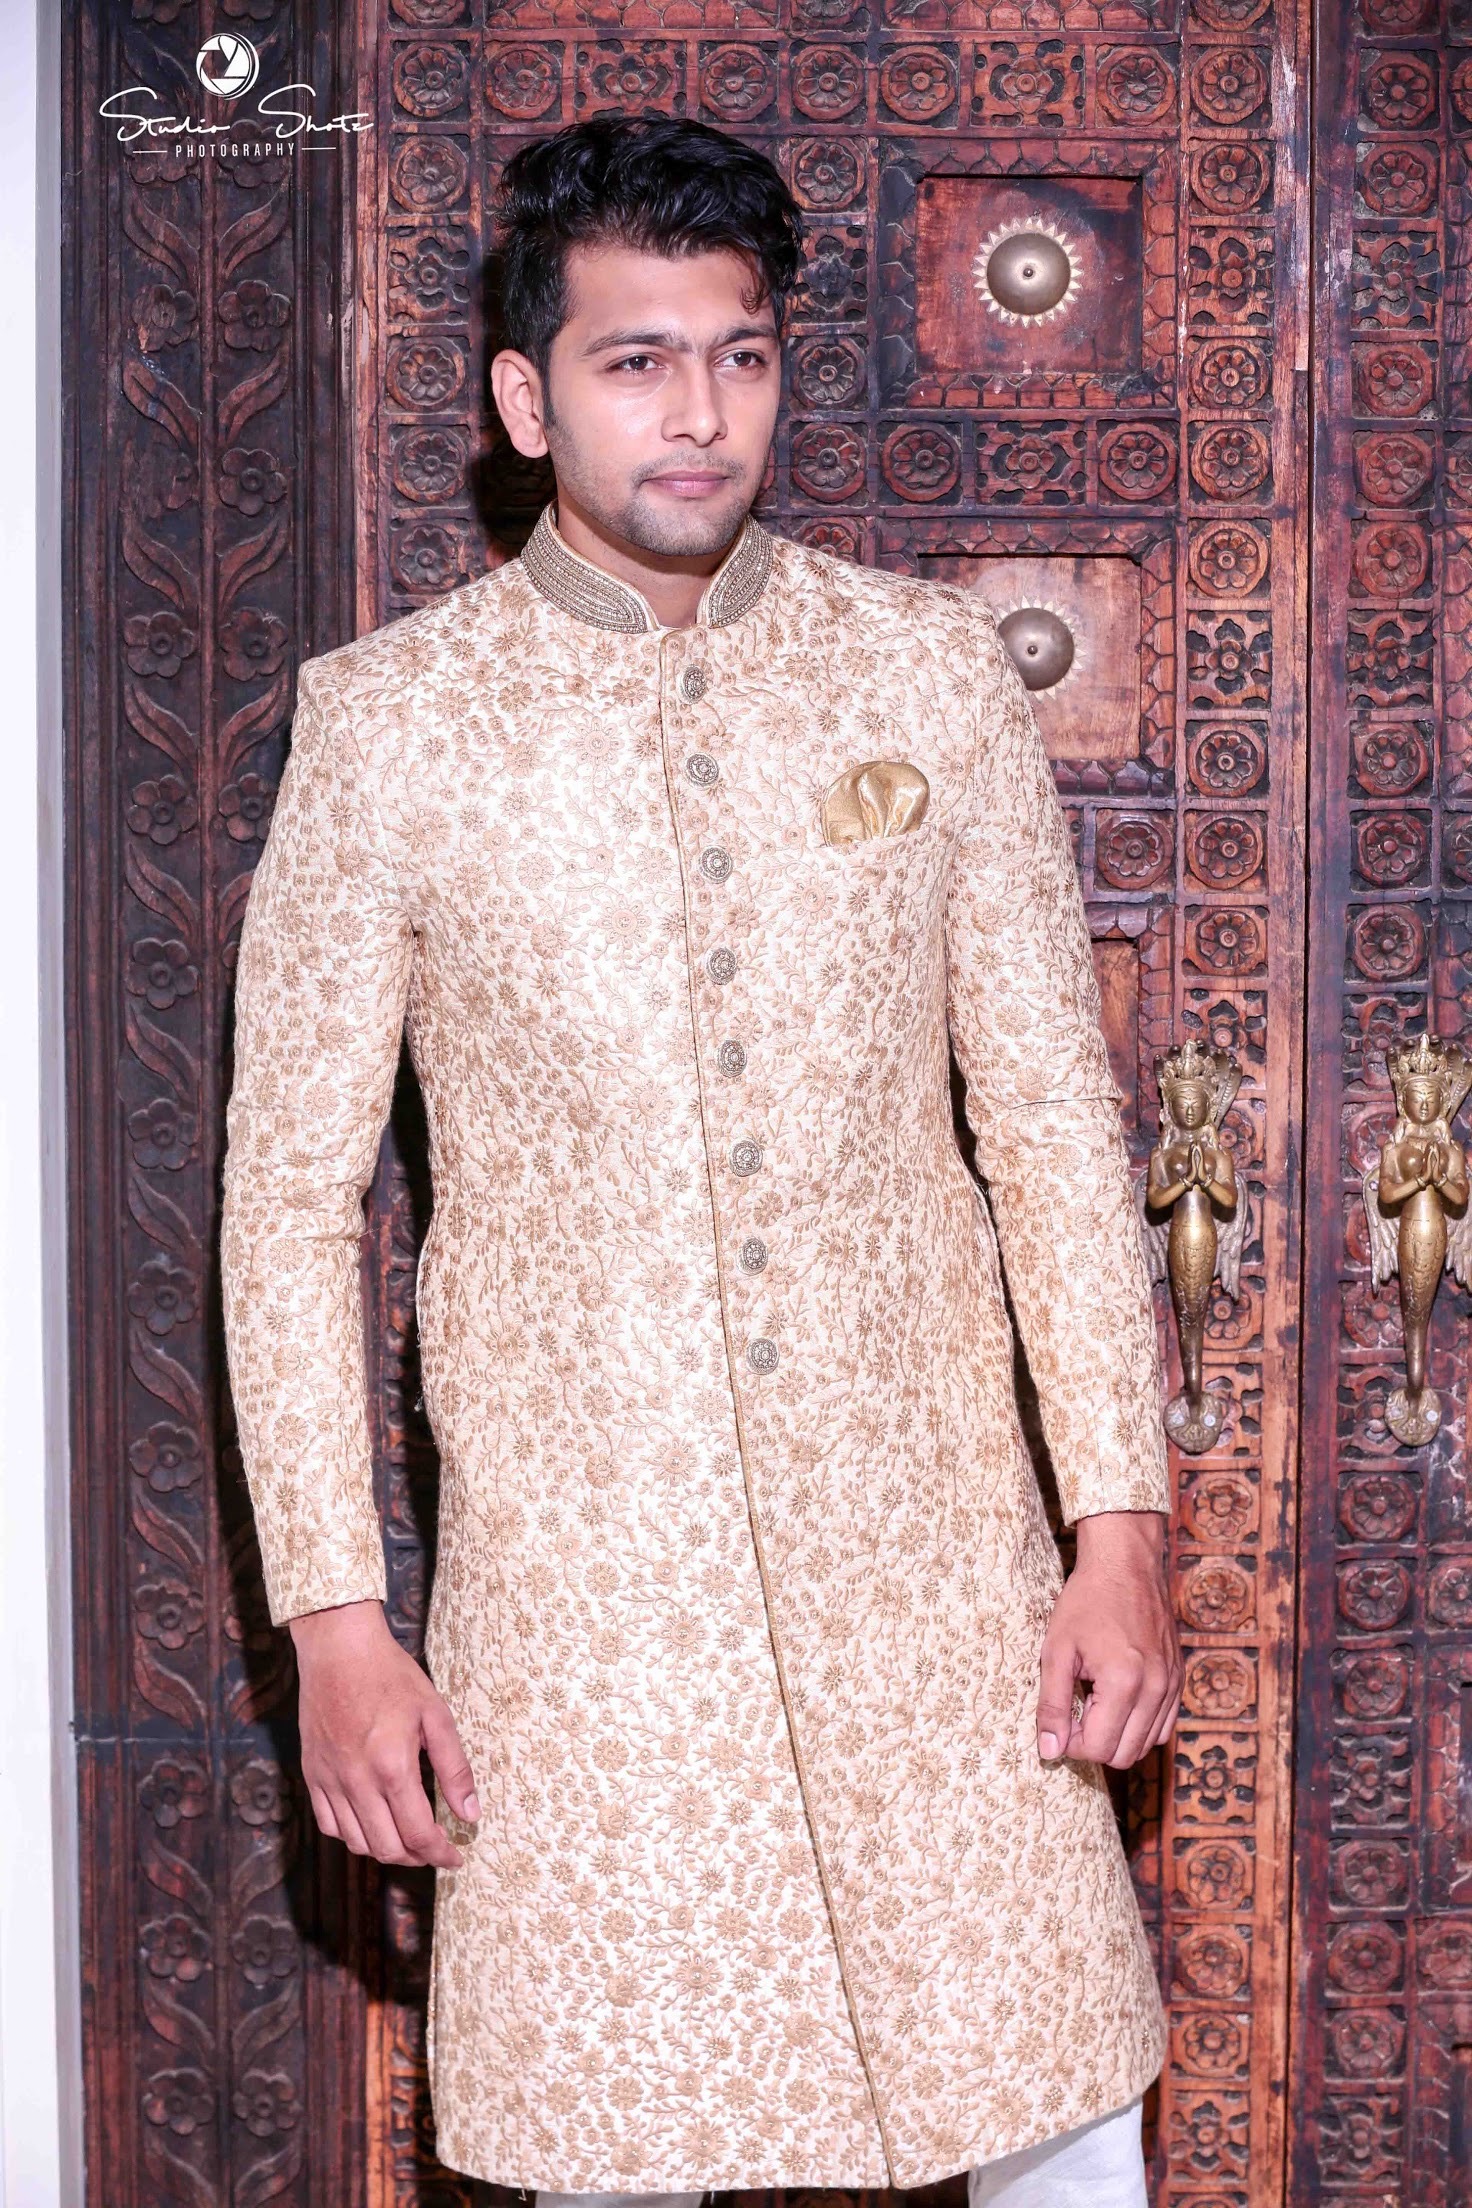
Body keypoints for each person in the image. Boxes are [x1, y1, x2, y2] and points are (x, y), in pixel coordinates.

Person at [220, 114, 1181, 2208]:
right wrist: (336, 1622)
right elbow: (286, 1206)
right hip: (589, 1612)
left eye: (738, 357)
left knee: (1053, 2117)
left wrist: (1116, 1525)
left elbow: (1047, 1120)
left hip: (942, 1577)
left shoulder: (925, 673)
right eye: (636, 360)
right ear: (525, 400)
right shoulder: (392, 728)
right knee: (614, 2141)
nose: (698, 413)